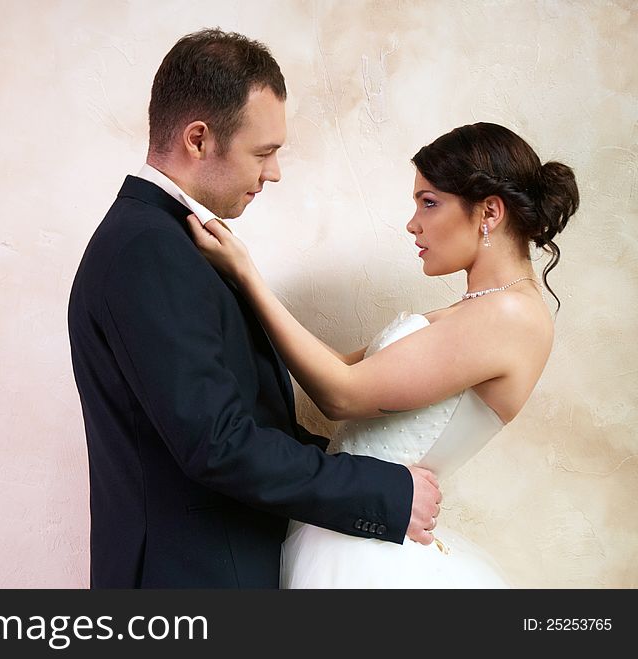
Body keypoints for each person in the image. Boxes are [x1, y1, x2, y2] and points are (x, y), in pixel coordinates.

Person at [67, 28, 441, 588]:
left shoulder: (174, 240)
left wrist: (381, 472)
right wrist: (381, 494)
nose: (274, 173)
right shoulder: (148, 249)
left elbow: (249, 422)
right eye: (263, 152)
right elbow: (216, 443)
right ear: (198, 139)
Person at [187, 121, 579, 587]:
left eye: (429, 202)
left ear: (489, 212)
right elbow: (337, 369)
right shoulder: (477, 310)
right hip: (350, 526)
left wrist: (248, 277)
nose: (413, 222)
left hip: (369, 552)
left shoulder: (510, 316)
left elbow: (340, 394)